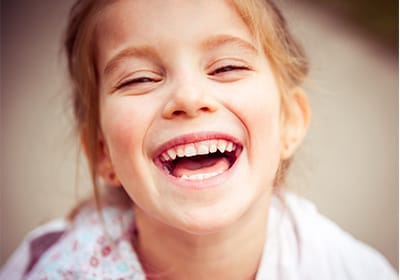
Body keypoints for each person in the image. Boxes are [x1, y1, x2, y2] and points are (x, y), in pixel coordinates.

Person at [0, 0, 397, 279]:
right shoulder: (59, 271)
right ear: (103, 152)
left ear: (290, 121)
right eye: (139, 78)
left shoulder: (348, 271)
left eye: (226, 67)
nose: (189, 98)